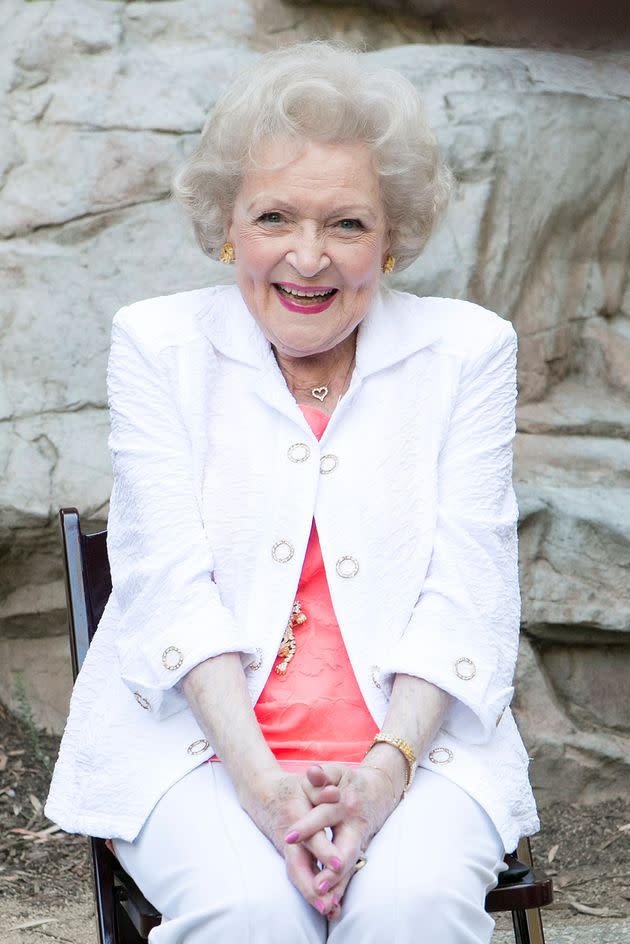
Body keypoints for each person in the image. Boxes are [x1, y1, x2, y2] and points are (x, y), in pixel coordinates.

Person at [45, 40, 539, 943]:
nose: (307, 259)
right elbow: (167, 585)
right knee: (249, 913)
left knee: (410, 908)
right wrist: (263, 785)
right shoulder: (158, 346)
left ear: (391, 241)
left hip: (417, 746)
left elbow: (470, 588)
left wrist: (385, 773)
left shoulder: (468, 352)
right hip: (197, 746)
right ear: (228, 222)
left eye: (347, 224)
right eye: (275, 216)